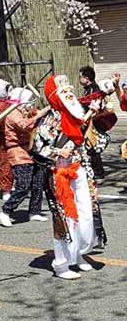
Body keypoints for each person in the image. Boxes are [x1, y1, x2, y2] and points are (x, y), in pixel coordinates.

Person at [31, 75, 99, 279]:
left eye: (70, 90)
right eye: (64, 92)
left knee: (86, 212)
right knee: (65, 217)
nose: (70, 94)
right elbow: (37, 148)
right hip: (59, 173)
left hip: (79, 168)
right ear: (55, 96)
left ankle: (78, 254)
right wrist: (57, 153)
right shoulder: (51, 118)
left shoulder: (75, 115)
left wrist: (92, 114)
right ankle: (61, 264)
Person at [0, 87, 49, 227]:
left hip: (31, 150)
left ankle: (34, 211)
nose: (30, 103)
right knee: (23, 185)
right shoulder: (13, 113)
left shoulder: (25, 111)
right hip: (17, 152)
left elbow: (35, 115)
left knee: (38, 181)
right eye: (28, 100)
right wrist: (40, 115)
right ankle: (6, 211)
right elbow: (25, 125)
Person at [79, 66, 105, 182]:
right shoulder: (89, 88)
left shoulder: (93, 89)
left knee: (92, 144)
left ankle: (98, 171)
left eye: (81, 77)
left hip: (94, 121)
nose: (79, 79)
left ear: (87, 78)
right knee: (89, 145)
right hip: (89, 121)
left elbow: (92, 105)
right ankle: (96, 170)